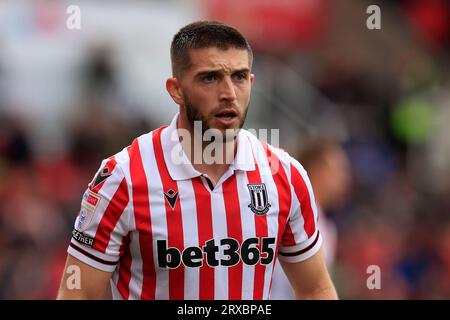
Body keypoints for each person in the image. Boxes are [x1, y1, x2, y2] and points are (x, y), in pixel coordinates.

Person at [56, 21, 337, 300]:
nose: (228, 93)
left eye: (239, 77)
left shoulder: (286, 176)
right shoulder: (122, 178)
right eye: (210, 78)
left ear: (251, 83)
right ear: (176, 89)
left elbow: (316, 290)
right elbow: (78, 293)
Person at [270, 140, 351, 299]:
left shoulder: (327, 227)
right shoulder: (285, 214)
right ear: (317, 170)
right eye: (338, 170)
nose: (345, 179)